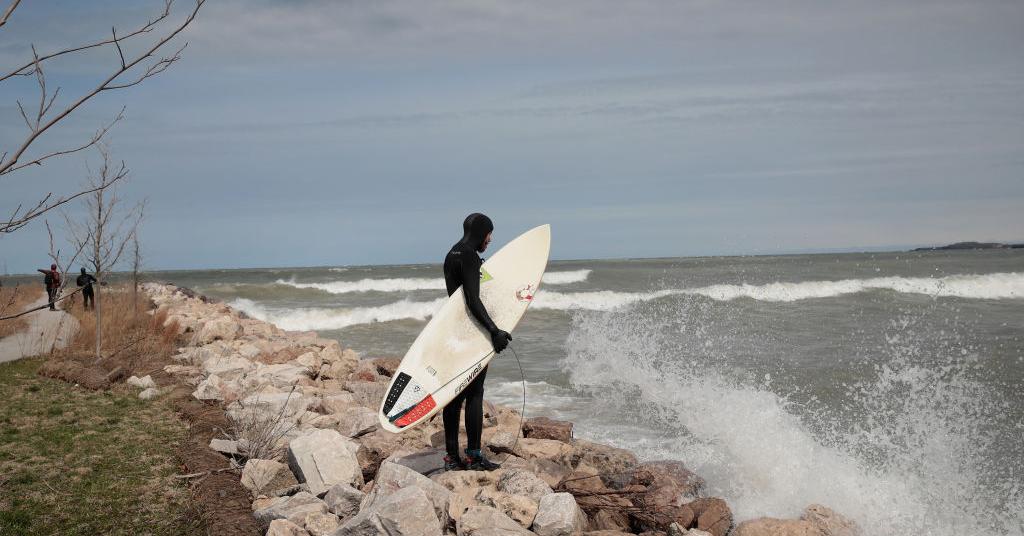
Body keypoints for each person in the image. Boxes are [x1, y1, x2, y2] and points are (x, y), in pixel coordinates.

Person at [441, 212, 512, 471]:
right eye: (489, 234)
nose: (490, 239)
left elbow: (458, 299)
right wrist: (494, 331)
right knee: (475, 393)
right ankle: (473, 456)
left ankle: (451, 457)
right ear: (482, 232)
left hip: (454, 331)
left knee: (454, 396)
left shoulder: (451, 254)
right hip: (471, 332)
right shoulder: (470, 256)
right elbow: (472, 299)